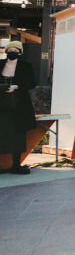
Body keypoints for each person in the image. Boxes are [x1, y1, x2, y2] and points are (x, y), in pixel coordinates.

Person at [0, 41, 36, 175]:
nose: (12, 52)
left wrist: (17, 86)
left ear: (20, 52)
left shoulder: (25, 66)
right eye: (10, 49)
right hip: (1, 106)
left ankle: (16, 165)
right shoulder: (0, 64)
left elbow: (32, 82)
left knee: (18, 135)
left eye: (15, 49)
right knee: (1, 133)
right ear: (6, 51)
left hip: (19, 106)